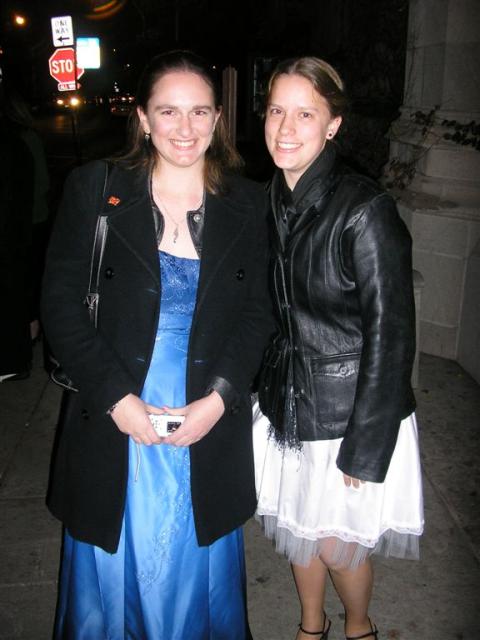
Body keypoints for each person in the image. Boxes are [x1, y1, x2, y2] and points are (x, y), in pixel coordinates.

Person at [41, 50, 272, 639]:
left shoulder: (248, 203)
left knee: (195, 561)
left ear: (218, 118)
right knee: (119, 558)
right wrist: (117, 397)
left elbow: (259, 313)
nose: (185, 129)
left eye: (200, 112)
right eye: (168, 111)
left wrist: (220, 399)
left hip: (206, 410)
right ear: (142, 117)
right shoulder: (97, 189)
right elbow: (61, 304)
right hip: (113, 405)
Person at [253, 57, 424, 640]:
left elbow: (392, 332)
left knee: (334, 541)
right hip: (288, 403)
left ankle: (359, 628)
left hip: (349, 411)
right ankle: (309, 626)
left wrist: (366, 446)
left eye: (306, 113)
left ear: (333, 125)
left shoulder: (363, 209)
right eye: (277, 110)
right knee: (295, 525)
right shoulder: (272, 197)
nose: (286, 127)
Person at [0, 83, 35, 382]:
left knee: (13, 296)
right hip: (19, 231)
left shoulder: (16, 144)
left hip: (15, 232)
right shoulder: (17, 143)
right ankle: (17, 357)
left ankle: (14, 360)